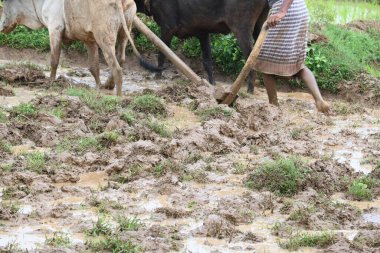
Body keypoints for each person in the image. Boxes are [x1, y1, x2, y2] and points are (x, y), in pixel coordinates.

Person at [253, 0, 330, 113]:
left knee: (265, 60)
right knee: (298, 64)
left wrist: (282, 12)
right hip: (299, 10)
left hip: (284, 13)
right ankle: (320, 101)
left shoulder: (281, 11)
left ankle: (274, 106)